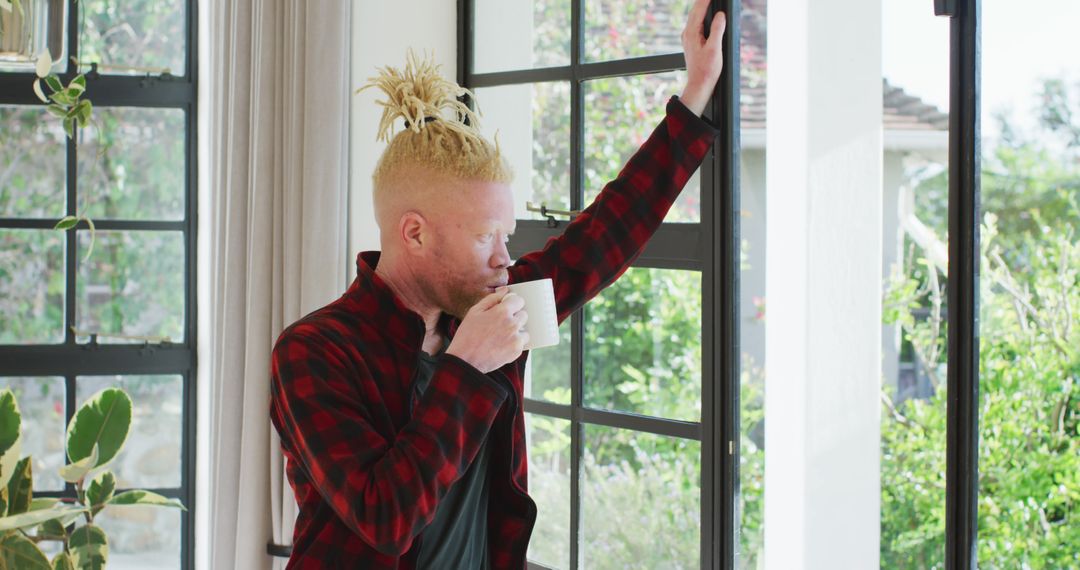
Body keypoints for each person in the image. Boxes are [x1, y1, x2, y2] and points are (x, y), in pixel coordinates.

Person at [269, 1, 726, 567]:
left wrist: (696, 93)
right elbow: (385, 517)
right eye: (486, 236)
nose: (505, 258)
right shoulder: (314, 351)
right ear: (414, 233)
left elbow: (604, 236)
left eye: (505, 234)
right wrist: (464, 368)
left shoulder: (496, 306)